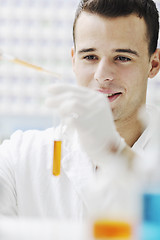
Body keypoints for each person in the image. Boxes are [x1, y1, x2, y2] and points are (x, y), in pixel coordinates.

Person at [0, 0, 159, 218]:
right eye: (90, 57)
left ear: (153, 64)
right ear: (74, 61)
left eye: (122, 57)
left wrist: (115, 154)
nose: (102, 75)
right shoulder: (20, 156)